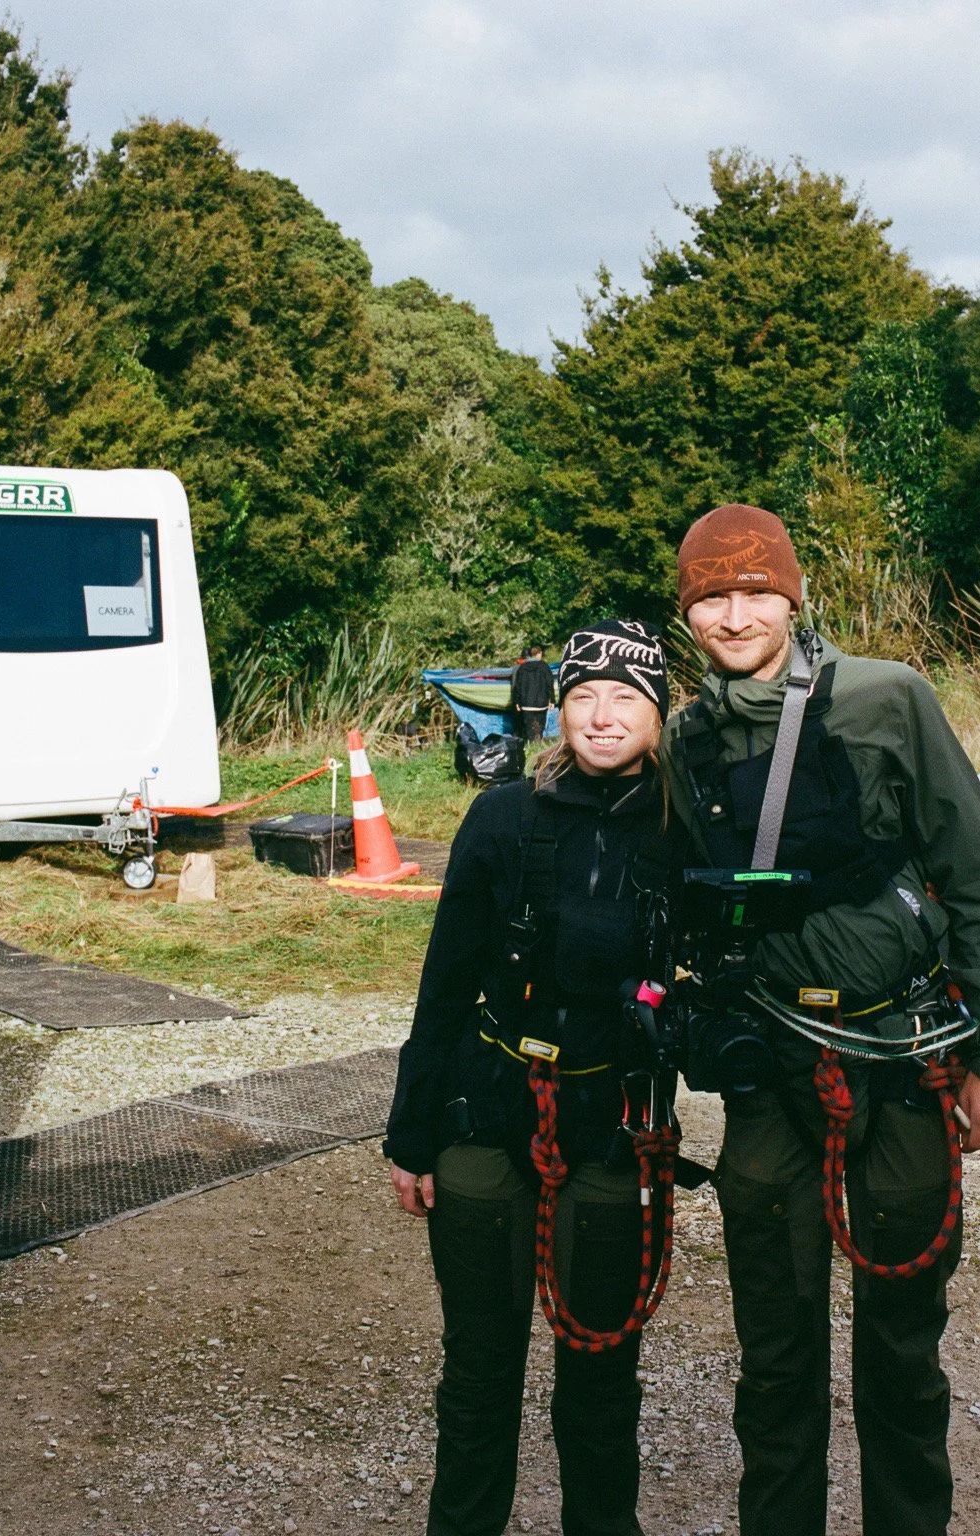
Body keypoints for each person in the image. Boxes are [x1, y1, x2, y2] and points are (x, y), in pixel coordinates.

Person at [660, 503, 980, 1536]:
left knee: (900, 1348)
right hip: (774, 1071)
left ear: (792, 593)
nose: (734, 615)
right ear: (688, 613)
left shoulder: (885, 699)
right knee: (775, 1355)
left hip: (905, 1060)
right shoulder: (684, 740)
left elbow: (976, 877)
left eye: (753, 591)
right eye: (710, 596)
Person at [385, 620, 677, 1536]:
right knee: (478, 1370)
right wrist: (411, 1133)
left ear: (661, 716)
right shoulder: (503, 816)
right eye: (584, 695)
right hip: (485, 1112)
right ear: (558, 708)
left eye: (627, 697)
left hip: (612, 1122)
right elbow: (445, 980)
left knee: (599, 1376)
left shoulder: (685, 831)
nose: (601, 716)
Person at [510, 644, 554, 742]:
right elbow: (549, 684)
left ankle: (530, 744)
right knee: (540, 726)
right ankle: (538, 744)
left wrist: (517, 701)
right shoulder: (544, 666)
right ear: (539, 653)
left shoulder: (522, 668)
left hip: (526, 704)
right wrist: (552, 700)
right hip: (541, 703)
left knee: (528, 728)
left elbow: (517, 686)